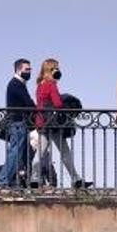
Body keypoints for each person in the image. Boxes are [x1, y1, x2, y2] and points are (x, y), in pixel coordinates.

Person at [29, 59, 88, 189]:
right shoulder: (51, 84)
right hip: (53, 123)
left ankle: (34, 178)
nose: (58, 71)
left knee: (40, 152)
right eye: (55, 68)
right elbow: (58, 104)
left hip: (43, 122)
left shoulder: (40, 85)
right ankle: (76, 180)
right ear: (51, 70)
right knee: (65, 152)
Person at [0, 59, 33, 187]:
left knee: (21, 153)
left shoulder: (18, 83)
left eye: (30, 69)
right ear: (18, 70)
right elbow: (28, 102)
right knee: (15, 152)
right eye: (26, 69)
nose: (29, 72)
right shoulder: (16, 84)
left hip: (18, 123)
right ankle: (3, 180)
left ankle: (16, 180)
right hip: (17, 123)